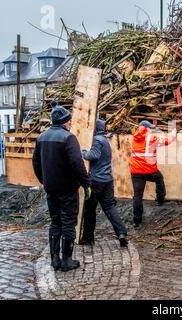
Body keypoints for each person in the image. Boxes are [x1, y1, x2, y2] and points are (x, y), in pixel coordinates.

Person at [32, 105, 91, 273]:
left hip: (51, 188)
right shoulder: (68, 138)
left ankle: (54, 260)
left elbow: (35, 163)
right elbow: (77, 164)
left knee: (55, 222)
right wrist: (86, 183)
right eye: (69, 121)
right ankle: (67, 260)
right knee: (68, 222)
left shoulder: (41, 137)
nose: (70, 123)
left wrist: (44, 181)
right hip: (67, 189)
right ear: (65, 122)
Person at [80, 119, 128, 248]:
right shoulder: (105, 140)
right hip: (107, 180)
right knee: (109, 207)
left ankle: (88, 238)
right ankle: (121, 233)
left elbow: (94, 155)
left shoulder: (97, 140)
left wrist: (83, 152)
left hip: (96, 181)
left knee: (89, 210)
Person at [130, 121, 177, 229]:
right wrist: (173, 132)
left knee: (137, 197)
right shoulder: (151, 138)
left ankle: (137, 222)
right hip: (149, 170)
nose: (151, 129)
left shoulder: (135, 138)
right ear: (146, 128)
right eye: (150, 128)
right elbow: (168, 141)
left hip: (136, 172)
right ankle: (160, 200)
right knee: (159, 179)